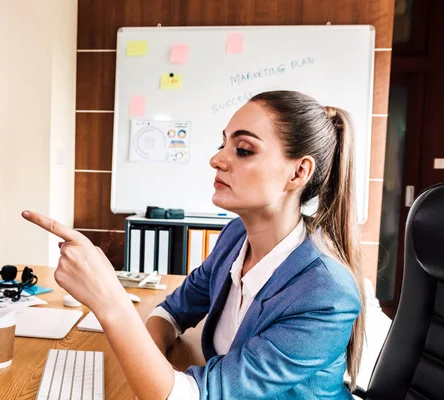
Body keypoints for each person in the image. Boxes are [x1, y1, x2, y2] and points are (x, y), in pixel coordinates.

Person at [22, 90, 365, 400]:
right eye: (223, 145)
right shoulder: (235, 237)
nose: (217, 160)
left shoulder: (326, 295)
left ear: (298, 173)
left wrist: (110, 300)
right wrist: (148, 361)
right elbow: (173, 311)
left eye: (243, 150)